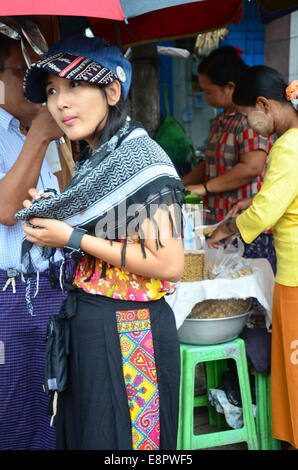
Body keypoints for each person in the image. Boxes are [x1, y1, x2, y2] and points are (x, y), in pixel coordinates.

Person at [16, 35, 185, 451]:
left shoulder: (142, 161)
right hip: (91, 323)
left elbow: (167, 263)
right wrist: (56, 214)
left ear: (112, 91)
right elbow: (103, 225)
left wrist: (71, 235)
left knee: (126, 444)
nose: (60, 102)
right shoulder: (100, 159)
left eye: (74, 86)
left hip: (131, 331)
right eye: (52, 91)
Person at [208, 65, 298, 450]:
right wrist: (252, 203)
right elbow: (276, 200)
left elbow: (266, 214)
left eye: (247, 115)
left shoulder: (288, 145)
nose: (250, 123)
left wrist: (226, 228)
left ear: (264, 104)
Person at [0, 35, 67, 449]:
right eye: (23, 74)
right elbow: (7, 210)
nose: (39, 87)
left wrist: (57, 139)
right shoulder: (29, 134)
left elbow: (66, 196)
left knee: (53, 397)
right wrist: (39, 138)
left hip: (52, 282)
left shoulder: (44, 132)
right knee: (10, 401)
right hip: (7, 290)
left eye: (44, 77)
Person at [182, 47, 276, 272]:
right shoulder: (222, 119)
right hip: (221, 222)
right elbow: (210, 164)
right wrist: (181, 183)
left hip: (247, 226)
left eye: (209, 92)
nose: (205, 98)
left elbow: (251, 167)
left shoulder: (250, 118)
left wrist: (204, 188)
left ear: (230, 88)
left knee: (248, 292)